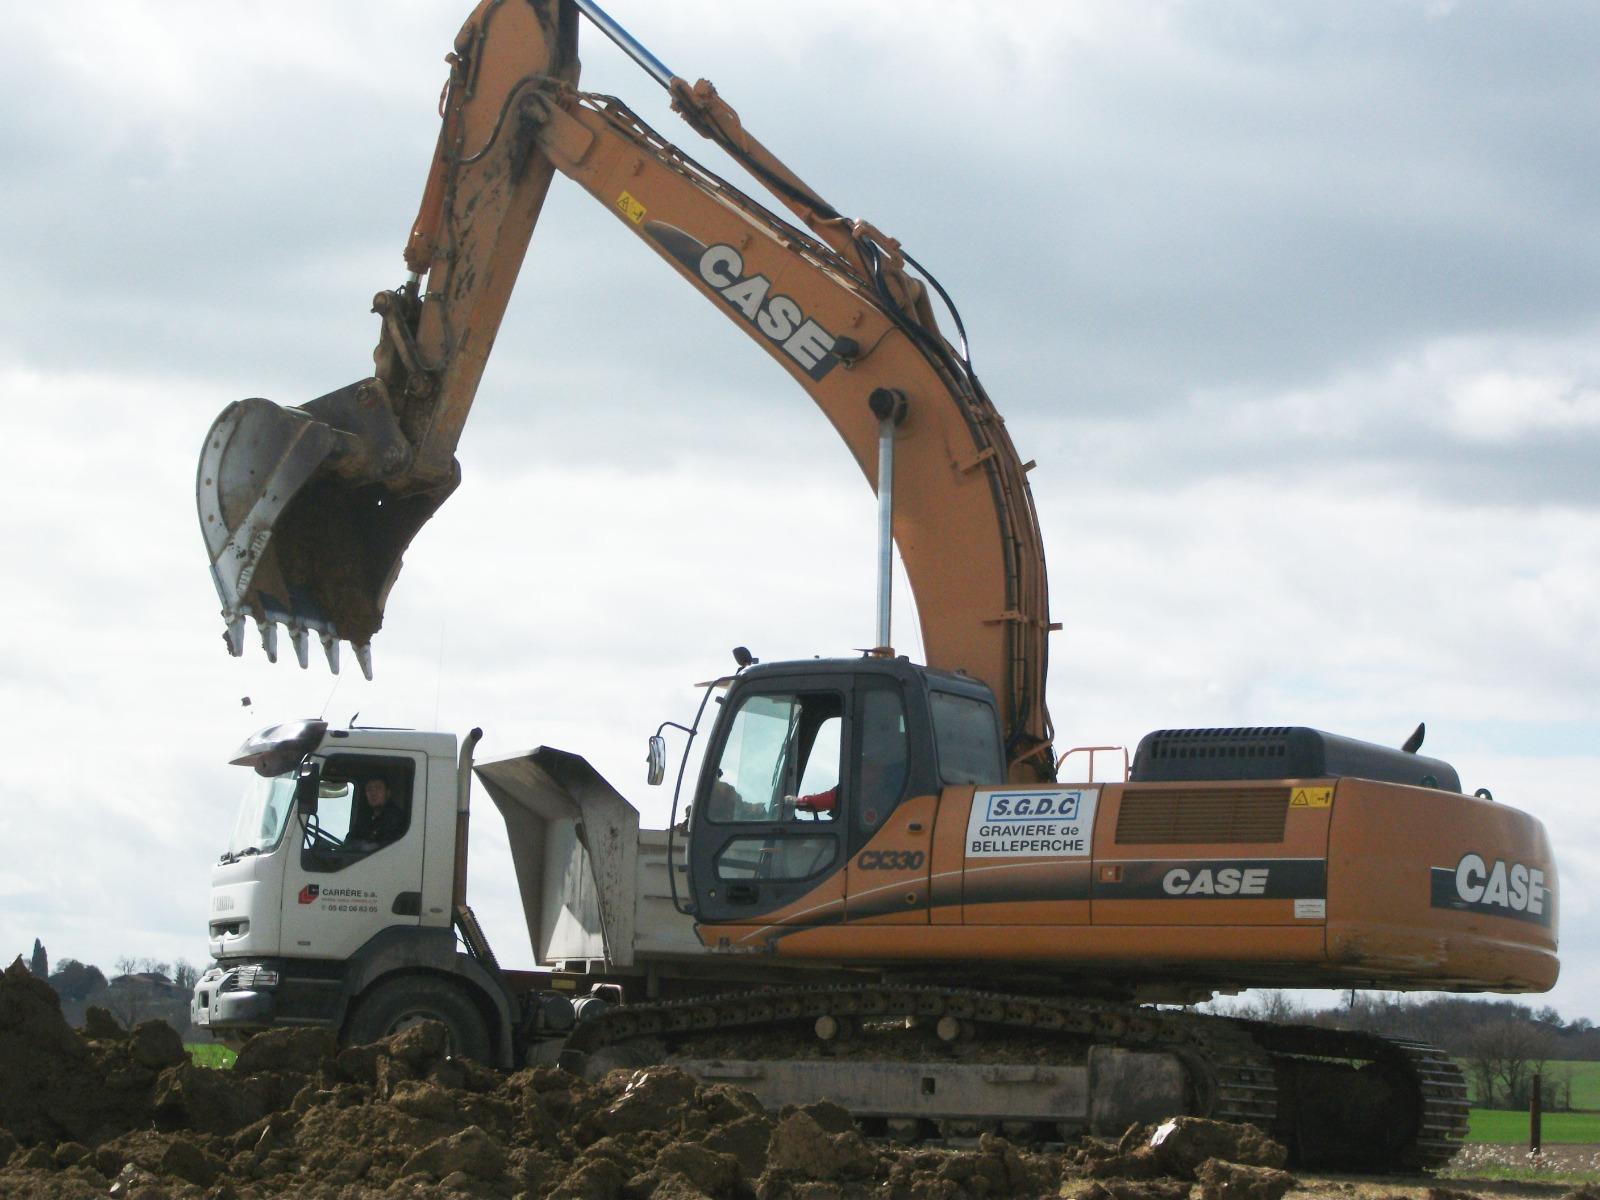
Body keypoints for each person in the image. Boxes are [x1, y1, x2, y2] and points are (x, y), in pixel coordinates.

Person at [347, 777, 405, 848]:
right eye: (369, 789)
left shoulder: (396, 818)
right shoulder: (364, 817)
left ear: (388, 793)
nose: (373, 793)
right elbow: (349, 841)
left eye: (378, 788)